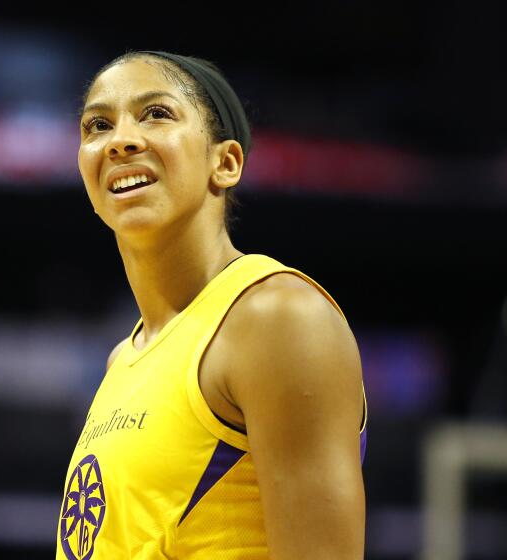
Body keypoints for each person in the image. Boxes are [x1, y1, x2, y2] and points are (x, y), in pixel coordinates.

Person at [56, 50, 367, 560]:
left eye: (156, 113)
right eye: (98, 125)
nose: (121, 140)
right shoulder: (123, 358)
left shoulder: (277, 318)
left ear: (225, 163)